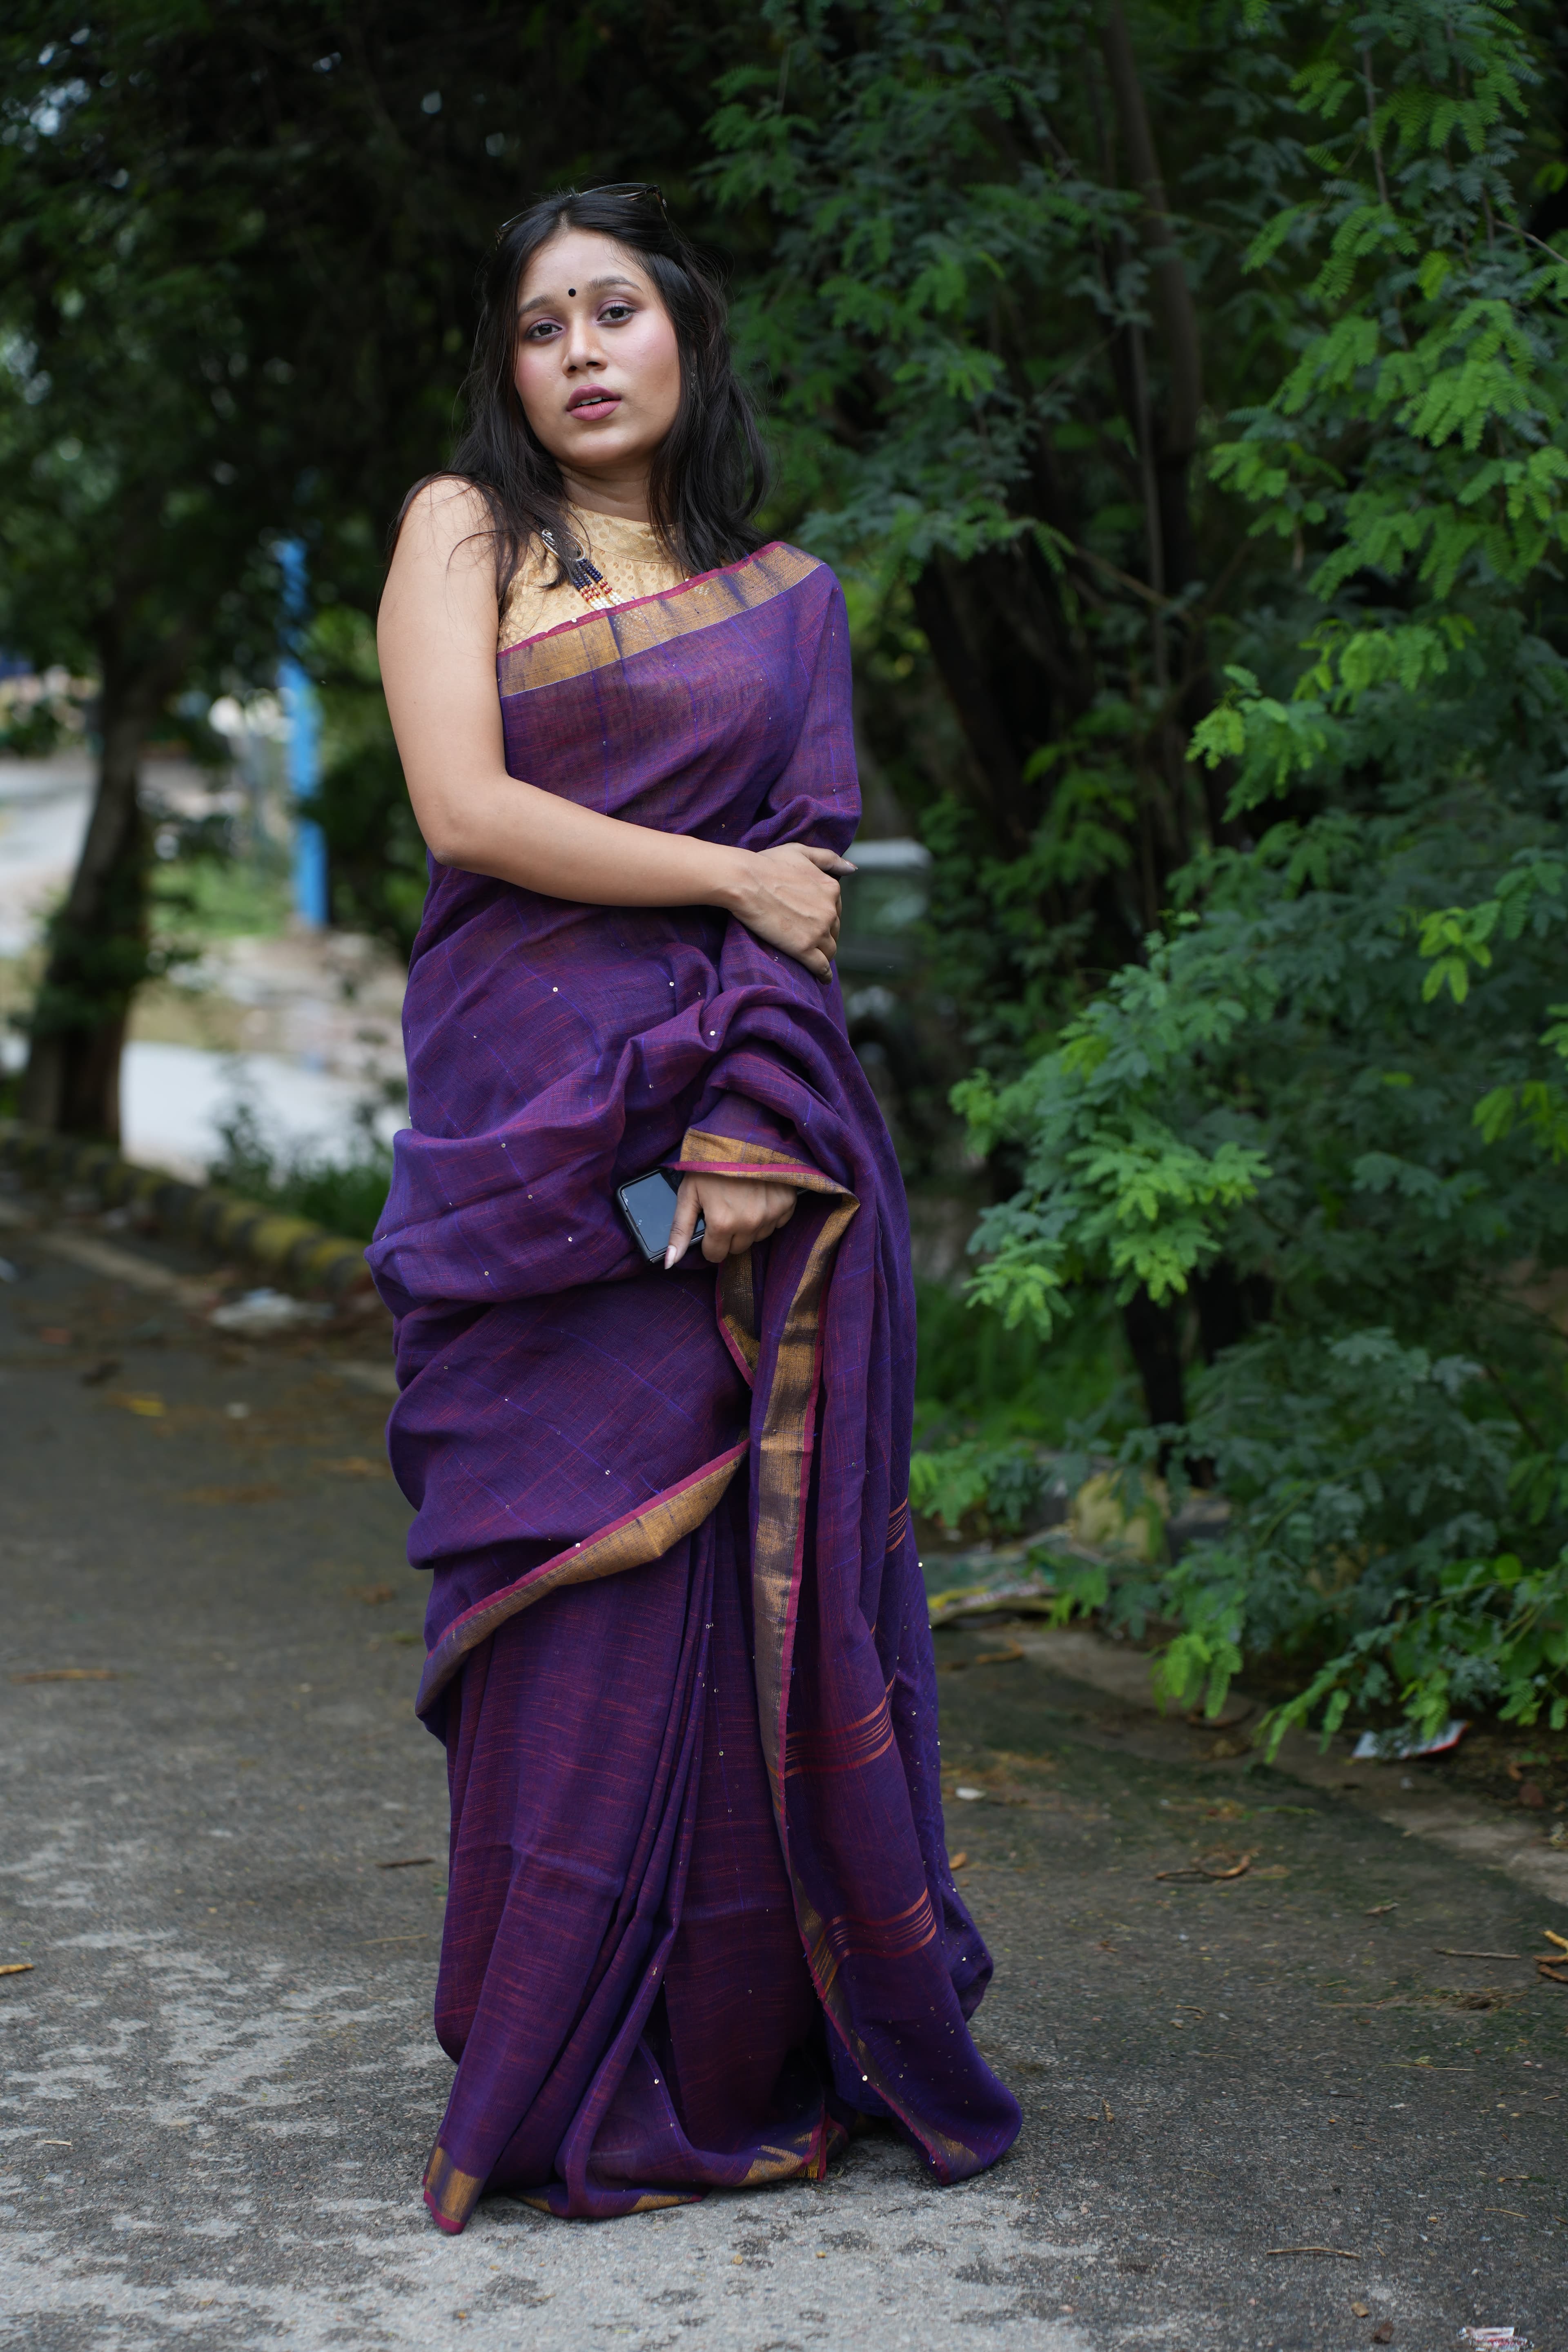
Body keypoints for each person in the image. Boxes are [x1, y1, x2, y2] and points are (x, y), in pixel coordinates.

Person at [370, 181, 1020, 2230]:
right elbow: (466, 809)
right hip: (527, 1125)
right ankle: (551, 2054)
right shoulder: (465, 534)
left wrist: (750, 1124)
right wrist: (724, 875)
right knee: (561, 1569)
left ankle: (734, 2051)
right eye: (540, 323)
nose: (579, 350)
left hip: (724, 1115)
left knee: (740, 1572)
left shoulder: (788, 602)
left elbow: (807, 881)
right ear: (507, 368)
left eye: (614, 310)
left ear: (684, 335)